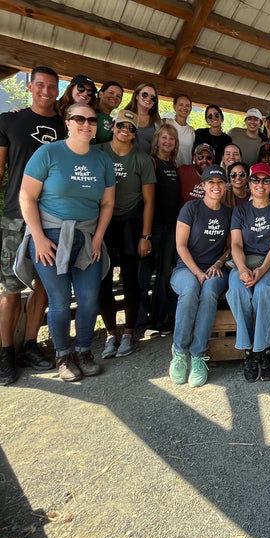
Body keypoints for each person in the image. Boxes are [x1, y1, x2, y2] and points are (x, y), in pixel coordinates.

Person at [0, 66, 66, 384]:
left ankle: (30, 345)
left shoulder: (66, 126)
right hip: (16, 215)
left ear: (58, 90)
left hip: (54, 218)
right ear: (30, 86)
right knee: (11, 288)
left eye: (52, 86)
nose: (46, 91)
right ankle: (6, 353)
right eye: (40, 85)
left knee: (44, 284)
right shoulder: (10, 121)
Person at [17, 103, 116, 382]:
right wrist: (38, 236)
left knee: (88, 300)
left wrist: (98, 238)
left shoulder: (102, 160)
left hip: (86, 237)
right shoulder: (48, 153)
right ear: (68, 122)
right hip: (50, 236)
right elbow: (26, 197)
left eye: (92, 120)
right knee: (59, 301)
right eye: (80, 119)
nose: (87, 124)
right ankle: (63, 355)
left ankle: (84, 351)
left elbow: (108, 203)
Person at [97, 109, 156, 359]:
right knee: (103, 278)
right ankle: (111, 333)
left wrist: (146, 236)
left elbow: (149, 200)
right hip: (103, 222)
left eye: (132, 128)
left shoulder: (141, 159)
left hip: (131, 221)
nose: (126, 130)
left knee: (131, 280)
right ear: (113, 126)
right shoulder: (98, 152)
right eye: (122, 125)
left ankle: (130, 332)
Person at [228, 162, 270, 382]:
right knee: (237, 288)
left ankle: (264, 349)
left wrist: (262, 269)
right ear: (249, 183)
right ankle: (249, 350)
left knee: (264, 289)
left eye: (266, 180)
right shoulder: (240, 210)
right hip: (245, 263)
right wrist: (243, 268)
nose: (260, 184)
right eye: (256, 179)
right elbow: (236, 244)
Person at [169, 165, 232, 388]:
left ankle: (198, 355)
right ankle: (179, 352)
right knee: (190, 290)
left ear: (226, 186)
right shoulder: (191, 208)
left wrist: (218, 263)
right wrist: (197, 272)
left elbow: (230, 248)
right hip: (186, 268)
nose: (216, 186)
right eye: (211, 182)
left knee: (209, 293)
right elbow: (180, 245)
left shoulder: (228, 213)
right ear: (203, 185)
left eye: (220, 182)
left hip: (215, 269)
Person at [138, 122, 180, 336]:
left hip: (171, 226)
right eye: (163, 138)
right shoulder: (151, 162)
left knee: (165, 273)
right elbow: (147, 198)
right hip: (153, 225)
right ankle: (139, 321)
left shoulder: (173, 166)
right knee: (145, 273)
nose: (167, 141)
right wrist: (145, 232)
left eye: (171, 139)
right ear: (157, 141)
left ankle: (159, 317)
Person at [123, 82, 161, 154]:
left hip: (147, 163)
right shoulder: (124, 115)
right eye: (145, 95)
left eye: (152, 97)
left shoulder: (158, 122)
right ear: (137, 96)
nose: (148, 98)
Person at [170, 94, 196, 166]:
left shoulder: (192, 131)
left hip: (186, 172)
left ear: (190, 109)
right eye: (181, 104)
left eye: (187, 105)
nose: (184, 108)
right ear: (174, 107)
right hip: (169, 170)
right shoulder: (166, 123)